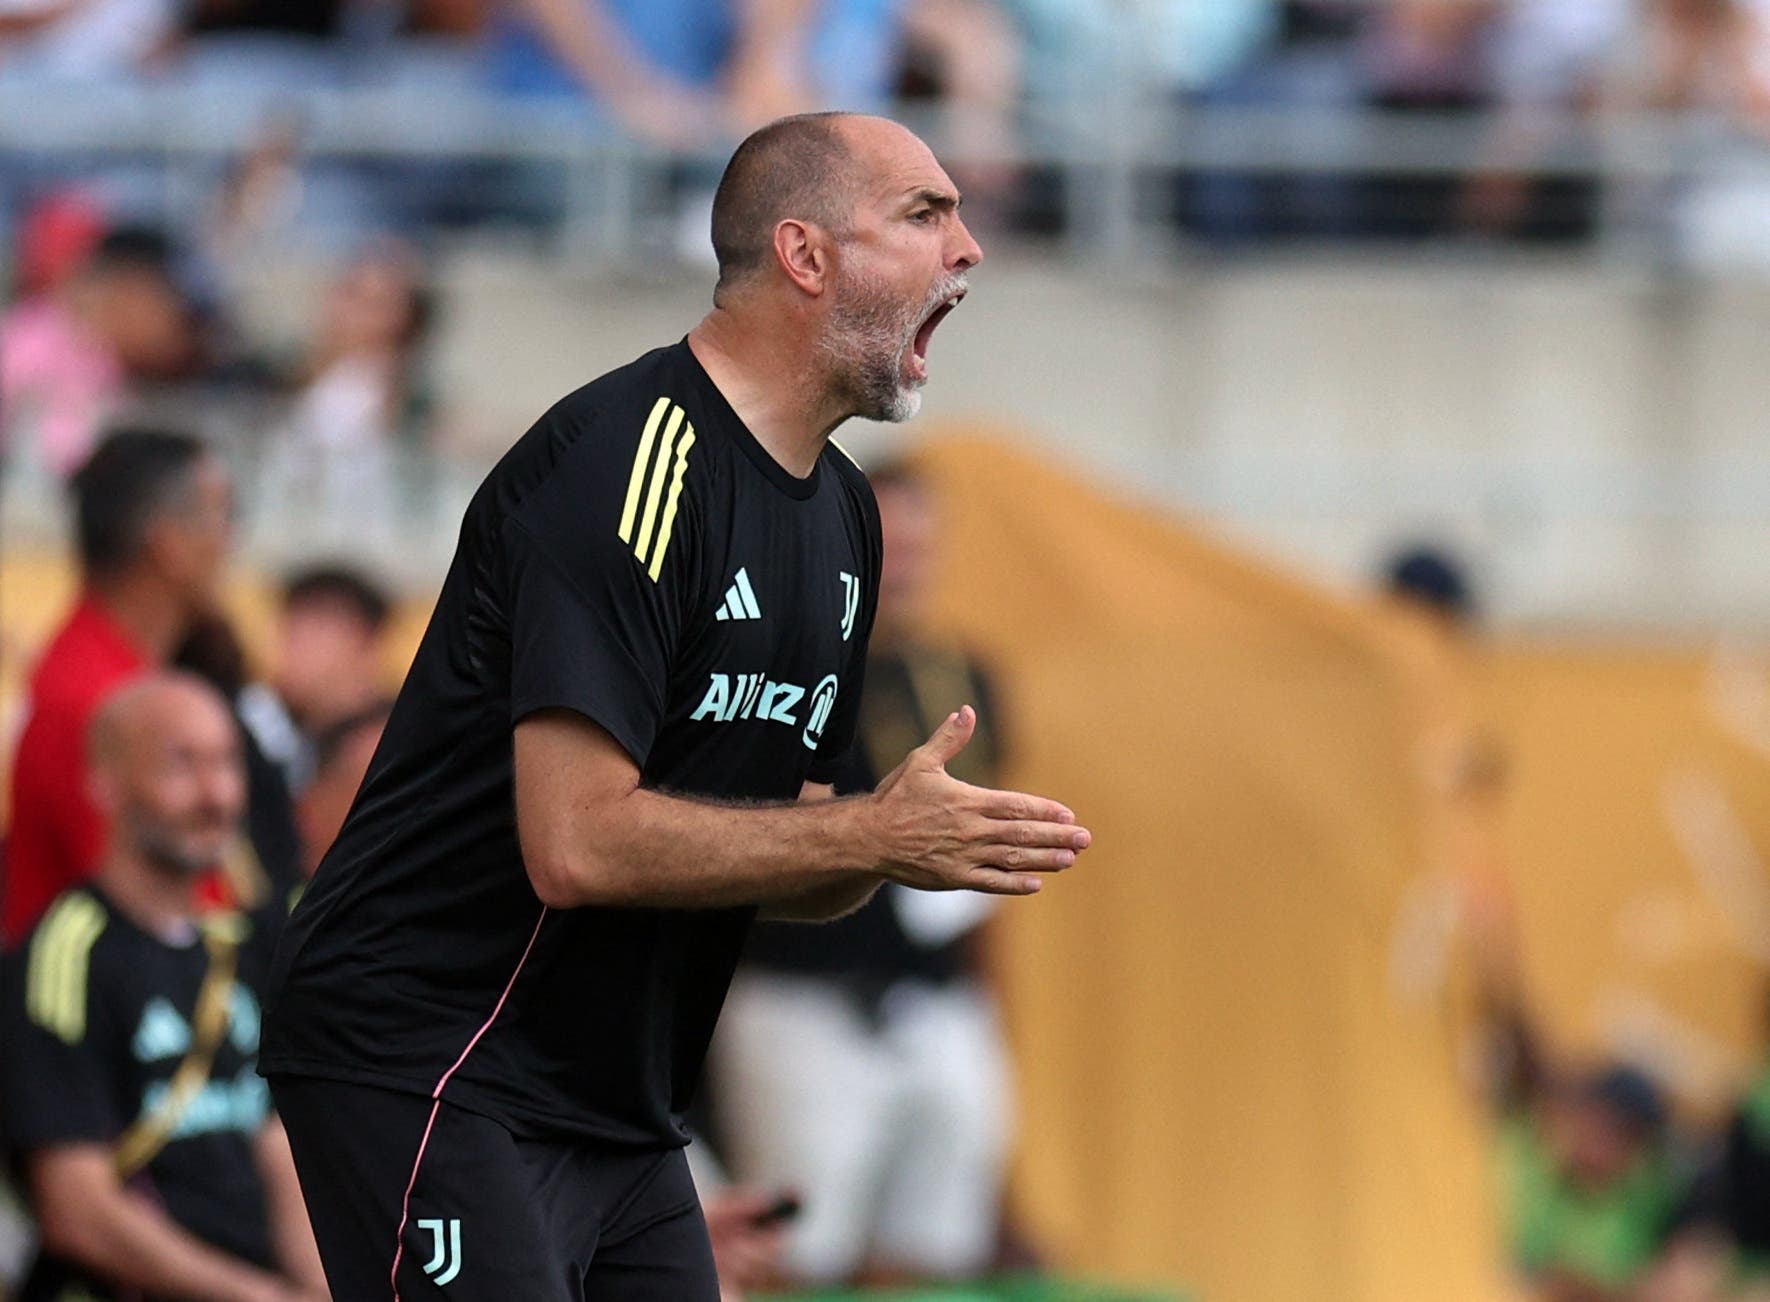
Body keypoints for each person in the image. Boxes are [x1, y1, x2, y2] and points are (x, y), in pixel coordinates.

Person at [260, 111, 1090, 1300]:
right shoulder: (629, 465)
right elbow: (578, 842)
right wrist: (867, 832)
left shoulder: (845, 516)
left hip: (615, 1094)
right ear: (805, 256)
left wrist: (898, 842)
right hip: (433, 1056)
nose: (969, 249)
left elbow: (789, 836)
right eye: (924, 214)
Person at [714, 458, 1016, 1284]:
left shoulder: (966, 674)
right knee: (792, 1250)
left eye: (922, 542)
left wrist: (991, 1004)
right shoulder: (776, 661)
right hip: (798, 994)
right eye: (890, 542)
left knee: (930, 1249)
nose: (908, 562)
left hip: (936, 1000)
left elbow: (982, 866)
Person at [0, 672, 327, 1302]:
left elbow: (274, 1142)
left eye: (226, 762)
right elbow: (79, 1212)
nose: (214, 794)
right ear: (105, 782)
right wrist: (262, 1298)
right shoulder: (64, 956)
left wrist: (321, 1287)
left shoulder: (236, 943)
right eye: (181, 764)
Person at [2, 426, 234, 948]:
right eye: (223, 516)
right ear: (170, 543)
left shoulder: (113, 675)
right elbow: (160, 908)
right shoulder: (94, 700)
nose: (229, 542)